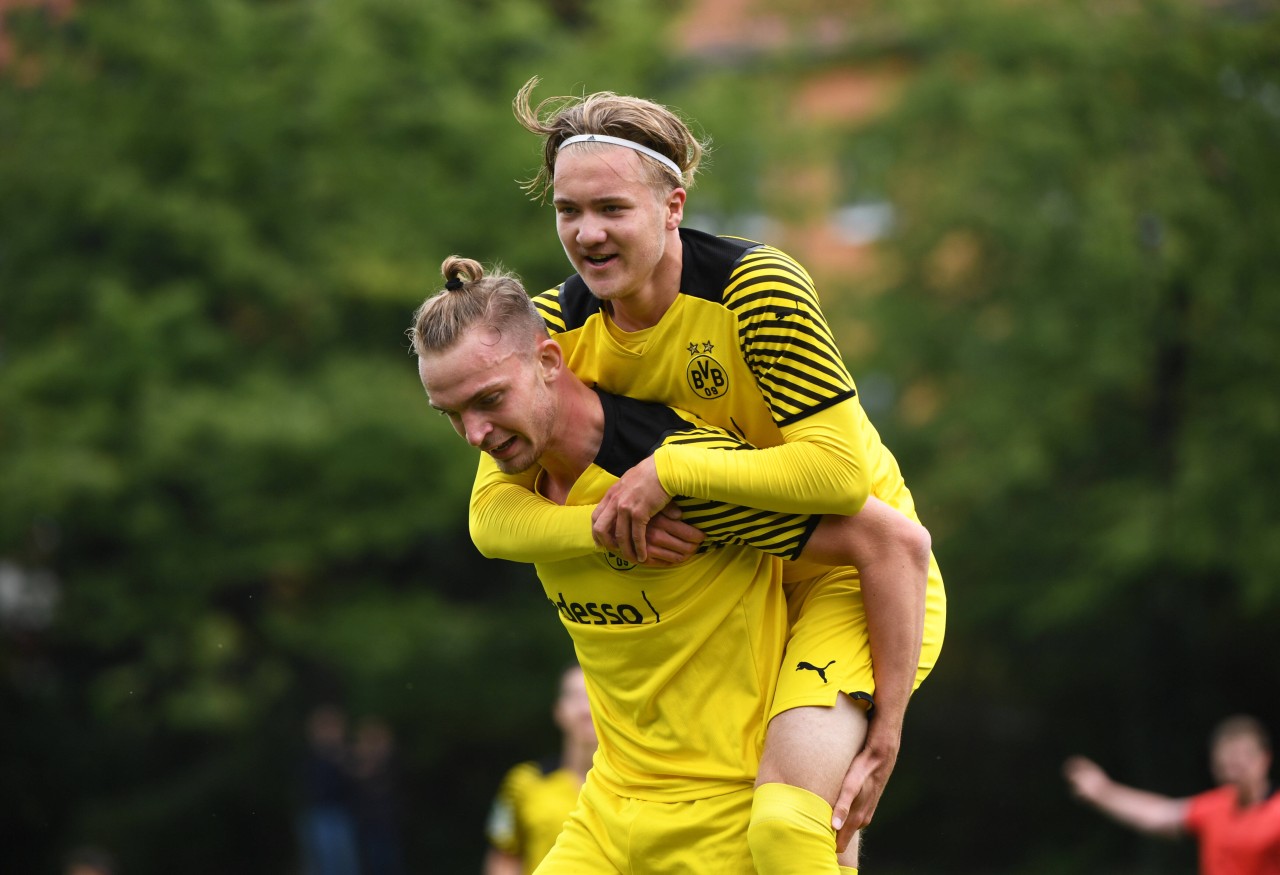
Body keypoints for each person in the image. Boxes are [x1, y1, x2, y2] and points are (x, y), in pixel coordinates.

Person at [465, 77, 948, 872]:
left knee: (788, 827)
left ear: (673, 206)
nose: (586, 234)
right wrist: (599, 525)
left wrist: (670, 468)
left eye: (611, 208)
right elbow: (493, 515)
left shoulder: (757, 286)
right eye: (566, 211)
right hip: (746, 572)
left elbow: (837, 477)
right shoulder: (557, 327)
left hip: (859, 572)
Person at [412, 257, 927, 872]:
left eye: (488, 400)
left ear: (551, 363)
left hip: (719, 811)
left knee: (789, 825)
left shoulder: (681, 486)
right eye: (452, 414)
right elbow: (487, 529)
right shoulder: (518, 475)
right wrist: (601, 530)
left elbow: (893, 545)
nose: (473, 434)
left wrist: (885, 731)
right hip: (608, 810)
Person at [1064, 715, 1280, 874]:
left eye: (1242, 760)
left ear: (1264, 759)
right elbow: (1158, 815)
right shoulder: (1216, 805)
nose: (1234, 769)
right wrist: (1103, 791)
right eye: (1227, 763)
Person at [484, 662, 599, 875]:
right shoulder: (524, 781)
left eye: (593, 695)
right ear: (559, 711)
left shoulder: (635, 786)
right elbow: (504, 857)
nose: (585, 709)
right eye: (575, 697)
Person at [297, 703, 362, 875]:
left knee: (346, 863)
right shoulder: (313, 756)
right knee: (324, 862)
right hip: (319, 813)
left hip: (343, 812)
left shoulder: (347, 755)